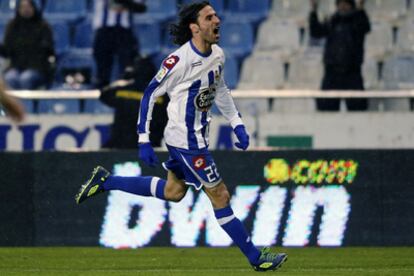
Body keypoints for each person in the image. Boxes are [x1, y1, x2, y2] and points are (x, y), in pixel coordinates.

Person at [75, 1, 287, 272]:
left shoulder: (218, 55)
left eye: (216, 15)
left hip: (193, 139)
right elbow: (150, 95)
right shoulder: (179, 61)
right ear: (194, 27)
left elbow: (219, 89)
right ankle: (256, 258)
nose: (217, 20)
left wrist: (237, 122)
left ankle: (106, 181)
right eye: (209, 17)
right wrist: (143, 139)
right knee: (220, 195)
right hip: (186, 142)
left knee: (173, 192)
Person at [309, 0, 370, 111]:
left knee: (358, 108)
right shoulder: (333, 21)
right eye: (340, 3)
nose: (342, 6)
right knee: (326, 108)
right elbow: (316, 32)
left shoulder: (357, 20)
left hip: (352, 72)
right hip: (332, 72)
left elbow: (365, 27)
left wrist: (361, 8)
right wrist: (314, 11)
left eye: (345, 3)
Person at [100, 55, 168, 148]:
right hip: (150, 145)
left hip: (122, 144)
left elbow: (104, 95)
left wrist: (123, 80)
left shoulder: (120, 90)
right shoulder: (163, 95)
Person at [0, 0, 54, 90]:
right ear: (18, 9)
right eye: (22, 7)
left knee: (26, 78)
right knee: (10, 77)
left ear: (34, 8)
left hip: (38, 67)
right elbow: (6, 51)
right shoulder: (12, 26)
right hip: (16, 66)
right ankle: (13, 103)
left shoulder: (43, 26)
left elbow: (49, 49)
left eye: (28, 6)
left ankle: (26, 104)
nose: (26, 9)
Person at [92, 0, 146, 88]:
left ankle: (126, 94)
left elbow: (141, 8)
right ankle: (100, 94)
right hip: (103, 30)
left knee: (127, 69)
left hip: (124, 32)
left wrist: (126, 3)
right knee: (102, 71)